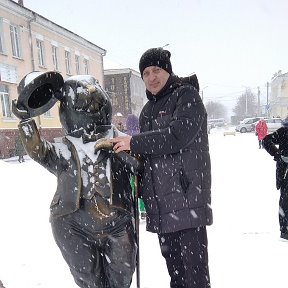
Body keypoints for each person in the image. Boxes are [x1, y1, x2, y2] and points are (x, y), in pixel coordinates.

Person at [12, 74, 142, 288]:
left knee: (122, 276)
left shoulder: (121, 140)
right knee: (89, 280)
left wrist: (124, 152)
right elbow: (37, 150)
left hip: (118, 222)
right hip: (73, 224)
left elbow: (140, 166)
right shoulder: (62, 149)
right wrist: (26, 121)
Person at [110, 47, 213, 288]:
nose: (151, 77)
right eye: (146, 73)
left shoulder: (186, 96)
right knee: (176, 276)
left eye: (156, 70)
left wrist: (134, 141)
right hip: (161, 206)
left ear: (168, 71)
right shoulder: (147, 111)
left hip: (186, 201)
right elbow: (148, 156)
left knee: (194, 278)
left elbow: (179, 135)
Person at [263, 118, 288, 240]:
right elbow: (266, 141)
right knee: (285, 201)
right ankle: (285, 230)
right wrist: (278, 155)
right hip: (285, 173)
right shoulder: (284, 131)